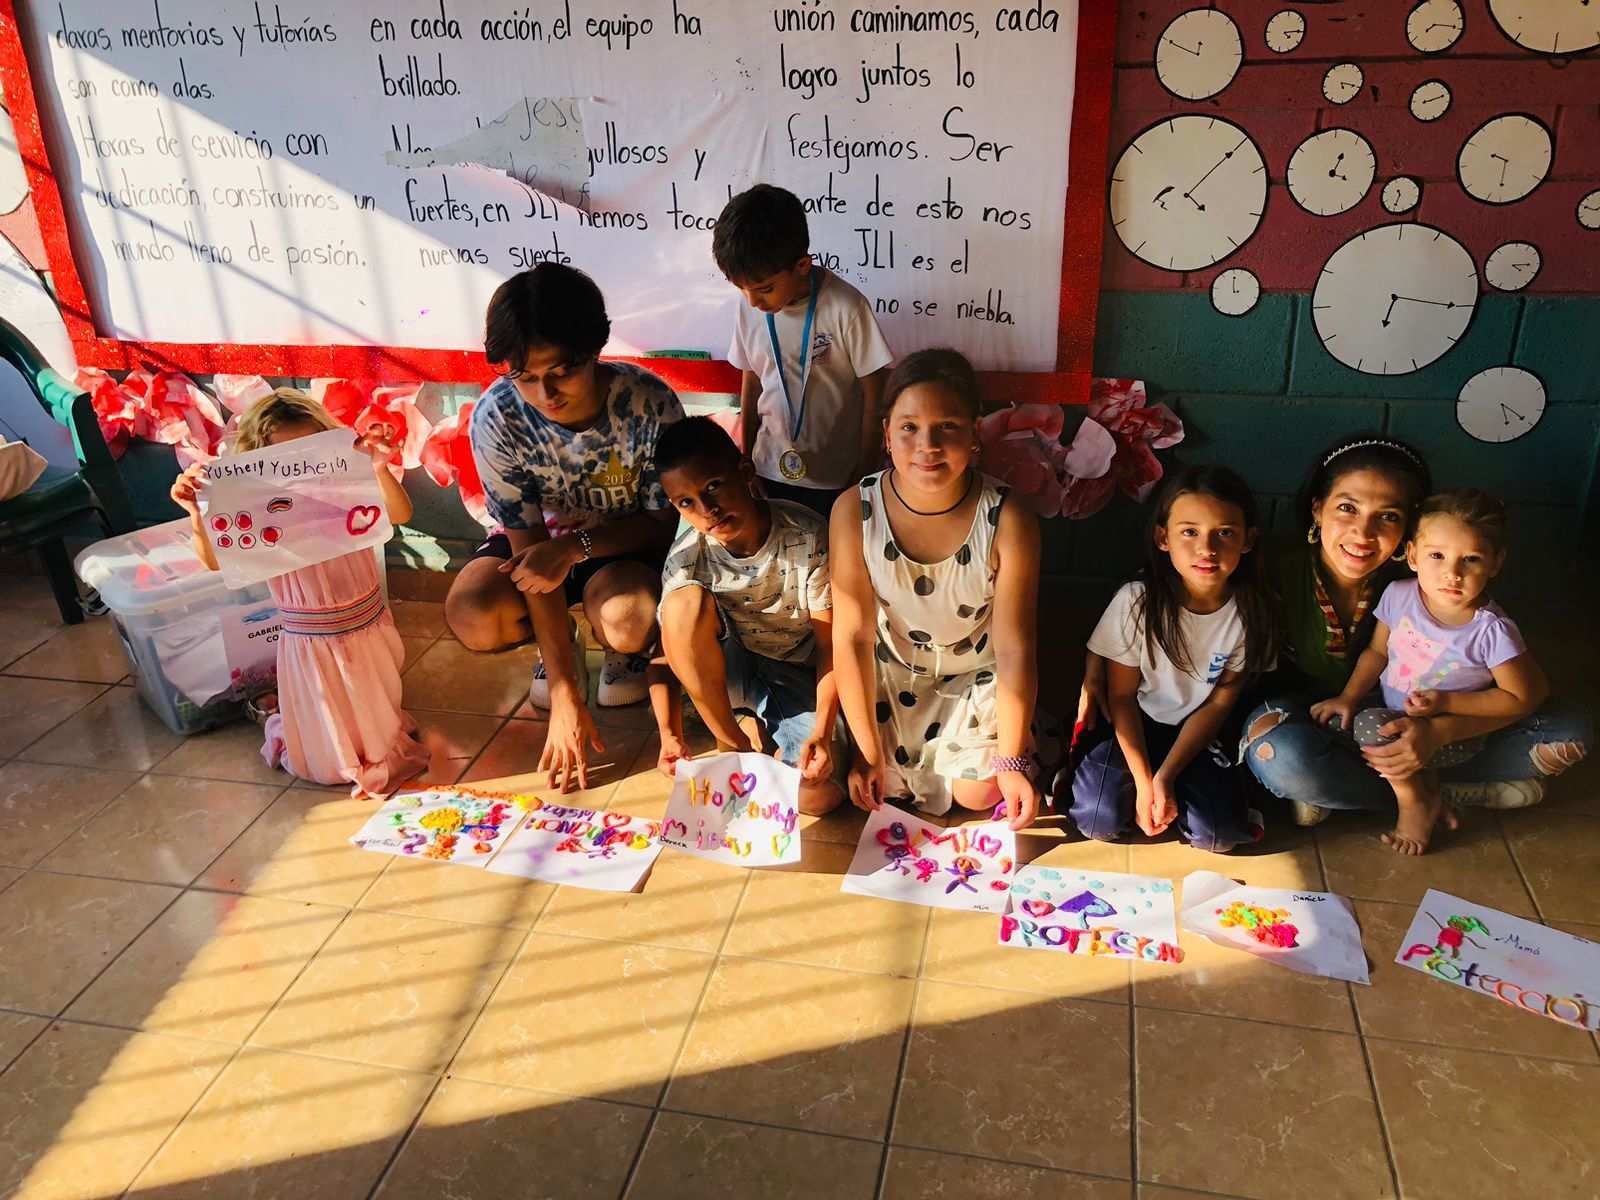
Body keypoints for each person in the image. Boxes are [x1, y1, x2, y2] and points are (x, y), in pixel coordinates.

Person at [1226, 435, 1586, 822]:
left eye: (1388, 516)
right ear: (1318, 509)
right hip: (1327, 720)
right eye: (1347, 508)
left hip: (1430, 723)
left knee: (1568, 732)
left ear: (1410, 532)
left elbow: (1527, 692)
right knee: (1277, 754)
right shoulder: (1274, 572)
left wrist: (1439, 733)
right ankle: (1432, 796)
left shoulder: (1430, 581)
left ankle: (1357, 792)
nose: (1363, 533)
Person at [445, 263, 684, 791]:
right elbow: (530, 554)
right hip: (538, 550)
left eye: (561, 372)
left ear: (595, 349)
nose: (545, 393)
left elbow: (665, 523)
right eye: (525, 377)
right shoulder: (497, 417)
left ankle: (624, 654)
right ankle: (557, 649)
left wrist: (576, 546)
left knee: (627, 618)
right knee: (473, 613)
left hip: (624, 549)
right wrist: (564, 693)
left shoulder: (648, 403)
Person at [831, 349, 1053, 832]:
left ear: (975, 433)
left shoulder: (1007, 517)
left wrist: (1012, 763)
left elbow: (1015, 647)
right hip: (890, 678)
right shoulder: (855, 510)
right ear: (886, 432)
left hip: (974, 677)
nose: (927, 445)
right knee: (854, 786)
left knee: (979, 793)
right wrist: (868, 752)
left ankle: (1018, 743)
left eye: (947, 426)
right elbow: (852, 638)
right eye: (909, 427)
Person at [169, 389, 428, 796]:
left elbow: (400, 514)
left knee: (377, 725)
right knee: (324, 759)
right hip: (310, 636)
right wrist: (196, 514)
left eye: (308, 452)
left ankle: (323, 720)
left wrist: (377, 469)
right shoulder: (254, 505)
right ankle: (292, 723)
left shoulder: (347, 483)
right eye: (284, 459)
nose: (299, 469)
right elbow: (215, 561)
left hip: (366, 622)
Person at [1312, 491, 1550, 854]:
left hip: (1450, 735)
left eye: (1470, 559)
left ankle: (1414, 803)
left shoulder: (1492, 630)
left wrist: (1445, 701)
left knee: (1373, 729)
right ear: (1412, 555)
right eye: (1437, 556)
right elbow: (1377, 653)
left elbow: (1519, 698)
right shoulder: (1399, 595)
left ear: (1495, 562)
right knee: (1333, 720)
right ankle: (1431, 790)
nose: (1451, 574)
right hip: (1395, 714)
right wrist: (1349, 697)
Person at [1070, 466, 1274, 851]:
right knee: (1097, 818)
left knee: (1218, 835)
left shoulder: (1250, 613)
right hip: (1136, 723)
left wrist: (1166, 776)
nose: (1207, 549)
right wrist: (1146, 780)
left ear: (1248, 540)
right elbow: (1123, 699)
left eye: (1225, 533)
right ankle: (1125, 787)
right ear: (1163, 538)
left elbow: (1219, 703)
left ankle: (1186, 790)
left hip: (1197, 731)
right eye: (1190, 532)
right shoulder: (1138, 601)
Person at [650, 417, 847, 814]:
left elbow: (833, 645)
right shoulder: (687, 560)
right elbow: (664, 654)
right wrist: (668, 735)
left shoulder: (806, 535)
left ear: (745, 472)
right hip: (728, 670)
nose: (708, 510)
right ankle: (732, 742)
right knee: (682, 604)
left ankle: (760, 723)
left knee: (819, 796)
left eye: (713, 487)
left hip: (794, 671)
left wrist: (823, 733)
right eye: (687, 503)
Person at [714, 183, 893, 517]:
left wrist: (865, 469)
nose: (754, 301)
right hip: (767, 470)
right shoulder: (748, 308)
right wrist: (747, 456)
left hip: (837, 476)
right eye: (743, 289)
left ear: (802, 266)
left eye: (765, 288)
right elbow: (751, 381)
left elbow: (875, 390)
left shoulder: (846, 307)